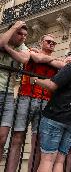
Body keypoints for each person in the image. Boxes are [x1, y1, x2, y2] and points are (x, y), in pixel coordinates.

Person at [30, 43, 71, 172]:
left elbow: (52, 85)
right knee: (60, 160)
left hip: (56, 117)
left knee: (47, 159)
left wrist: (36, 80)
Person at [6, 34, 64, 172]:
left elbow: (61, 64)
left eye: (54, 43)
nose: (51, 44)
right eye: (48, 41)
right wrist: (48, 59)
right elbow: (36, 58)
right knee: (17, 138)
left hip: (45, 101)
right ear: (41, 42)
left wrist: (46, 58)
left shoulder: (43, 55)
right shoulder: (31, 52)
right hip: (26, 97)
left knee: (37, 142)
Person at [0, 21, 30, 162]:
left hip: (8, 94)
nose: (23, 37)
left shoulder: (21, 47)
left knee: (3, 137)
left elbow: (24, 59)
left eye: (25, 35)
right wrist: (13, 27)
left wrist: (7, 49)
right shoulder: (3, 37)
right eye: (19, 33)